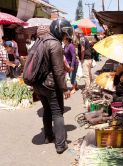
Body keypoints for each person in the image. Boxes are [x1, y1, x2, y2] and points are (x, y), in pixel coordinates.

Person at [33, 20, 72, 154]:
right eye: (64, 33)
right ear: (59, 31)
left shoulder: (40, 41)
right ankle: (61, 145)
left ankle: (48, 137)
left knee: (47, 110)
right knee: (57, 113)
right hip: (49, 85)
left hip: (38, 84)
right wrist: (64, 88)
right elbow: (58, 70)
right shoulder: (55, 44)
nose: (64, 36)